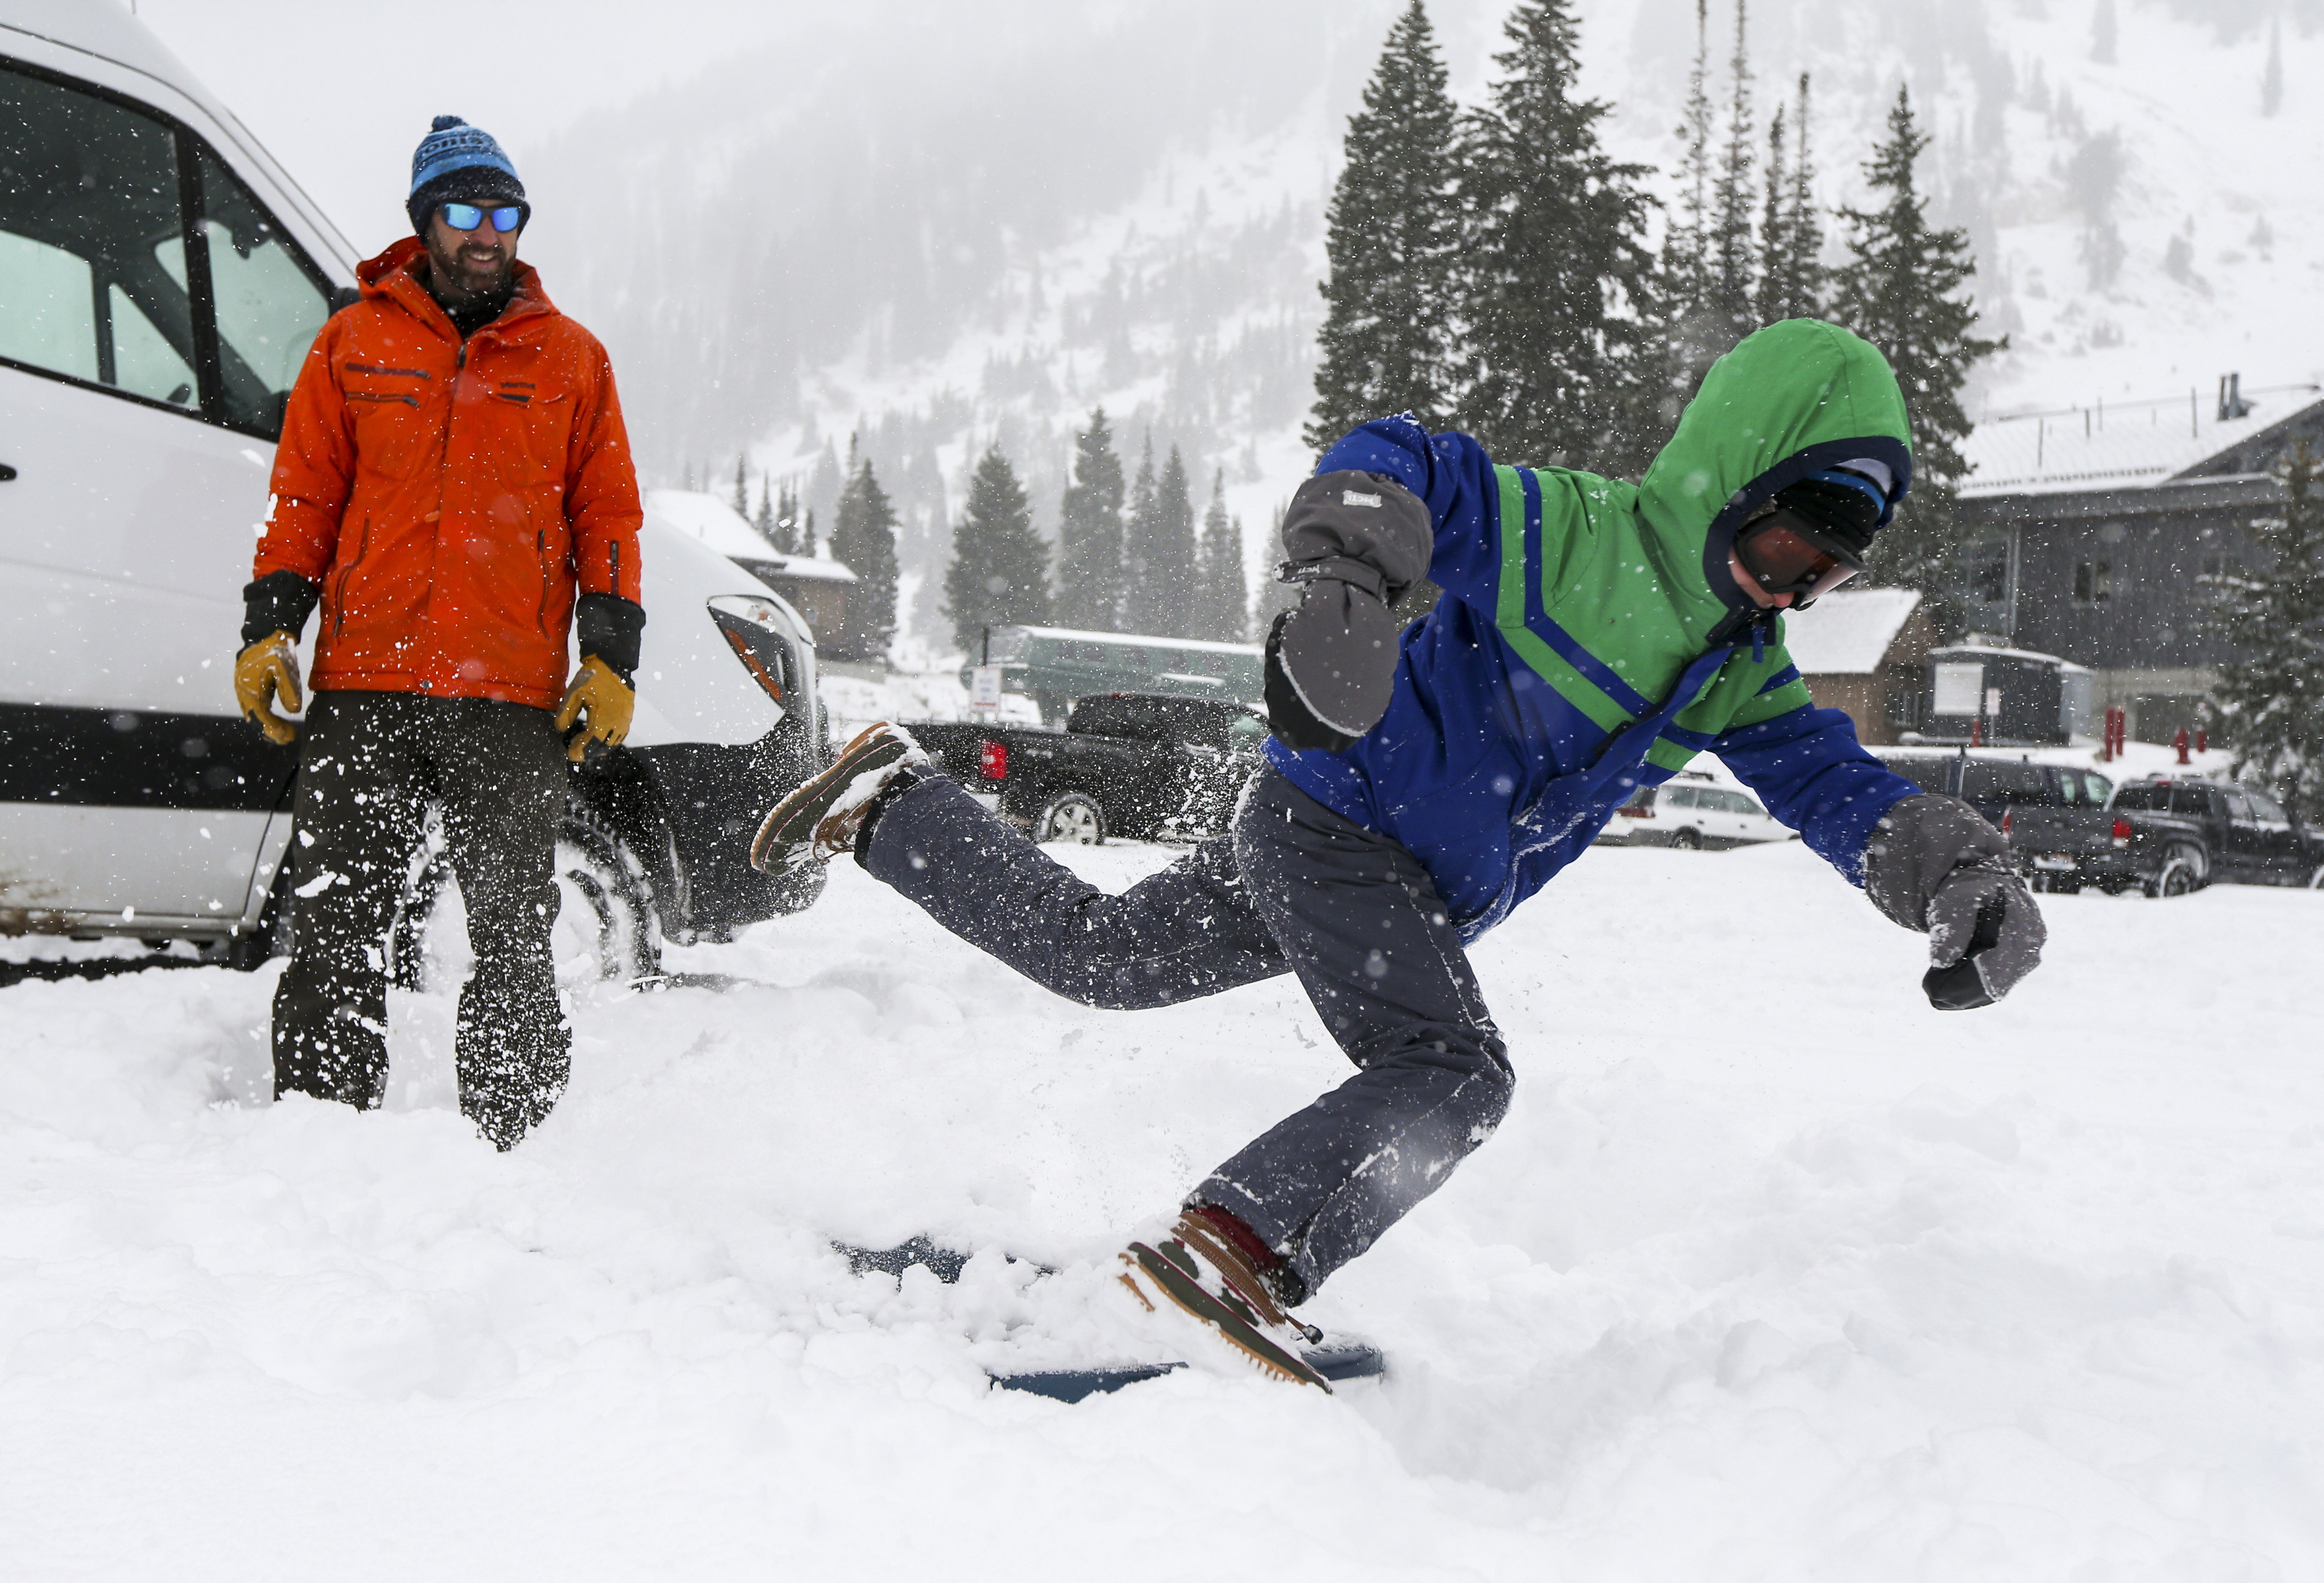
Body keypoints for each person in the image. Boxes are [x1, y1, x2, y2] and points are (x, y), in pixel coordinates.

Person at [750, 320, 2044, 1386]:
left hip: (1337, 849)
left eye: (1821, 572)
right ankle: (1232, 1249)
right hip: (1337, 826)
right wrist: (1346, 575)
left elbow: (1833, 783)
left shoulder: (1735, 676)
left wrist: (1956, 869)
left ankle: (891, 808)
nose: (1788, 586)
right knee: (1452, 1070)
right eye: (1781, 544)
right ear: (1729, 475)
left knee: (1110, 957)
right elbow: (1404, 464)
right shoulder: (1573, 538)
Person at [232, 117, 646, 1149]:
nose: (484, 233)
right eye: (463, 212)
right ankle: (319, 1141)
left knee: (510, 932)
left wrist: (609, 656)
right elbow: (304, 500)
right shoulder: (352, 342)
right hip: (363, 683)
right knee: (336, 925)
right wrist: (271, 628)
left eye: (502, 215)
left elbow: (607, 518)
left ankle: (512, 1147)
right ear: (425, 221)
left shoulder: (570, 359)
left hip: (506, 697)